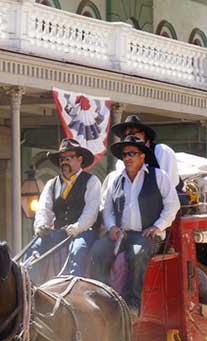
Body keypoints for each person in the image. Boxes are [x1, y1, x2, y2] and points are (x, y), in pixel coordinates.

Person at [88, 136, 180, 314]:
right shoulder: (116, 180)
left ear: (142, 156)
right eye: (124, 154)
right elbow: (107, 209)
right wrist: (112, 227)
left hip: (146, 235)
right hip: (121, 234)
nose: (127, 158)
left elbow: (172, 205)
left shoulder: (158, 176)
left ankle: (132, 304)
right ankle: (103, 297)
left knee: (137, 255)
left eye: (132, 153)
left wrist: (158, 226)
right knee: (98, 250)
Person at [26, 137, 102, 280]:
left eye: (69, 158)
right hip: (59, 231)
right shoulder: (52, 184)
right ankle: (30, 287)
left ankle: (73, 289)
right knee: (33, 247)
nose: (64, 162)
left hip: (84, 232)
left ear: (79, 159)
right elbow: (44, 209)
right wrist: (41, 226)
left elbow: (91, 212)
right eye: (62, 159)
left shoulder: (91, 181)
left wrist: (78, 227)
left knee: (78, 250)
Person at [109, 114, 180, 190]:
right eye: (125, 135)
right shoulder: (121, 162)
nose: (129, 137)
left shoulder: (161, 151)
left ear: (144, 134)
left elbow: (170, 184)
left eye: (132, 133)